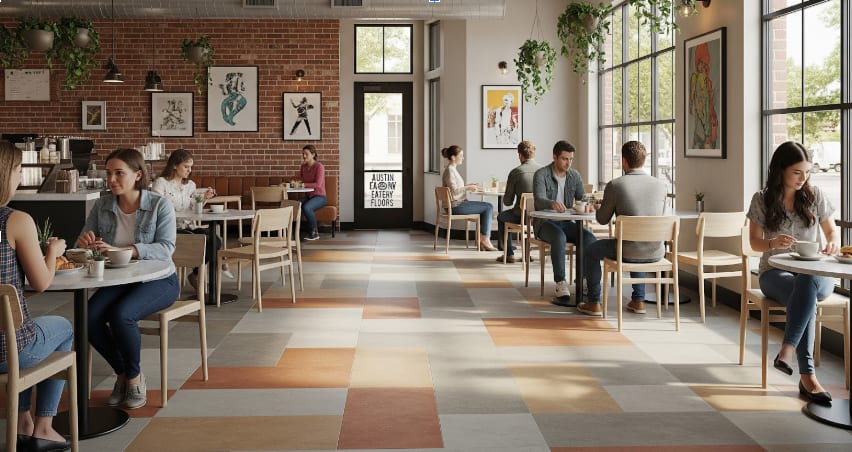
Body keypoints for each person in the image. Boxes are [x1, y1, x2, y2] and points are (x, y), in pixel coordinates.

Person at [77, 148, 179, 410]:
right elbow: (86, 240)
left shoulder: (159, 205)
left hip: (160, 280)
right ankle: (122, 373)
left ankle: (133, 378)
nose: (111, 179)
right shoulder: (102, 205)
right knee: (88, 317)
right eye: (109, 173)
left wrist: (130, 250)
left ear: (137, 175)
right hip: (119, 279)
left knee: (122, 314)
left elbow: (166, 248)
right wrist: (86, 242)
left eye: (119, 173)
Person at [746, 141, 839, 405]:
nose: (803, 178)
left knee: (806, 282)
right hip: (775, 273)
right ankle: (808, 377)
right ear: (781, 170)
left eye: (807, 172)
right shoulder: (761, 199)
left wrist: (831, 242)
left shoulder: (815, 196)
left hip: (816, 273)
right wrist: (772, 243)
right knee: (804, 291)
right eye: (797, 172)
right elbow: (754, 243)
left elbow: (831, 231)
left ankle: (787, 349)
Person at [0, 141, 73, 452]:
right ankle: (43, 426)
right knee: (65, 327)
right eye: (18, 170)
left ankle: (22, 421)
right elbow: (41, 282)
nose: (19, 176)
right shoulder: (15, 221)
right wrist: (53, 251)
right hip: (8, 350)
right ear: (8, 174)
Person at [578, 141, 668, 317]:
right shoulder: (661, 186)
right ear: (643, 160)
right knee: (639, 240)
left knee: (590, 250)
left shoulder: (616, 185)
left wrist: (599, 208)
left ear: (624, 161)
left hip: (627, 250)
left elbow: (603, 220)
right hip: (656, 251)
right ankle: (638, 301)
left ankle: (593, 302)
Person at [151, 148, 234, 290]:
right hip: (170, 229)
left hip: (188, 226)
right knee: (206, 240)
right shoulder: (161, 183)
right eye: (186, 166)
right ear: (174, 165)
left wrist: (204, 198)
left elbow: (193, 208)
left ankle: (196, 273)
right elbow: (158, 208)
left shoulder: (190, 185)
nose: (189, 170)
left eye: (190, 167)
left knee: (215, 239)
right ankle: (218, 263)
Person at [532, 140, 596, 304]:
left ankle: (583, 279)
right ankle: (560, 282)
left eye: (571, 159)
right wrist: (551, 203)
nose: (568, 163)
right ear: (555, 157)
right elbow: (539, 200)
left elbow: (581, 198)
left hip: (567, 222)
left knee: (588, 238)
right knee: (559, 237)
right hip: (545, 223)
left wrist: (589, 204)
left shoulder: (574, 176)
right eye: (564, 159)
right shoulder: (541, 174)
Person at [441, 145, 498, 251]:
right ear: (453, 157)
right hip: (456, 206)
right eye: (461, 156)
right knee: (488, 207)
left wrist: (468, 185)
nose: (463, 158)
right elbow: (454, 191)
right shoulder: (450, 170)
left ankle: (483, 239)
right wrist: (468, 187)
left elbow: (455, 188)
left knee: (486, 209)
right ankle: (484, 239)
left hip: (456, 204)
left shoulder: (452, 170)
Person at [496, 140, 541, 263]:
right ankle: (527, 254)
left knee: (501, 217)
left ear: (520, 155)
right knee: (528, 219)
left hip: (520, 215)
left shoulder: (516, 172)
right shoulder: (544, 171)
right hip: (540, 215)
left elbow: (507, 202)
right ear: (533, 154)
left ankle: (509, 254)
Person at [299, 145, 327, 241]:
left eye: (306, 154)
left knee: (307, 207)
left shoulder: (319, 166)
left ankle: (314, 232)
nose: (304, 156)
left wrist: (302, 185)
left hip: (320, 197)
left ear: (313, 154)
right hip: (309, 197)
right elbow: (302, 181)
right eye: (303, 154)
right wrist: (296, 184)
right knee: (295, 204)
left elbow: (318, 184)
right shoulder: (303, 167)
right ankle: (293, 230)